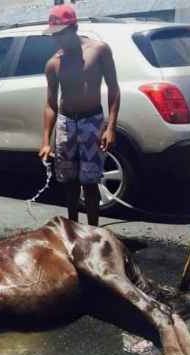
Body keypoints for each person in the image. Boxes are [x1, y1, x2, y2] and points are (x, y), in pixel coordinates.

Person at [38, 4, 120, 226]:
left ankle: (94, 232)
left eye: (60, 34)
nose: (57, 40)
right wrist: (46, 140)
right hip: (66, 123)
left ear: (73, 27)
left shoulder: (99, 50)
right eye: (53, 36)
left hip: (91, 121)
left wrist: (110, 127)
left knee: (90, 182)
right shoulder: (53, 63)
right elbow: (50, 105)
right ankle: (73, 230)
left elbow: (113, 88)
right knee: (69, 182)